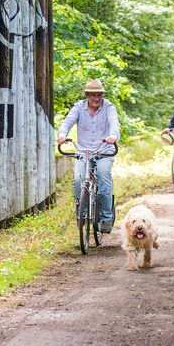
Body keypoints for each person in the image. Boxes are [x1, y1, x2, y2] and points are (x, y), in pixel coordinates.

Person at [57, 78, 120, 233]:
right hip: (83, 152)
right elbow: (67, 122)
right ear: (87, 95)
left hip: (104, 151)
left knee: (103, 176)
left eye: (99, 95)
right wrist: (62, 134)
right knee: (79, 180)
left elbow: (114, 124)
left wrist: (113, 136)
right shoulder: (79, 107)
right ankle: (82, 213)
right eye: (93, 95)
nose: (96, 98)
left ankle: (106, 218)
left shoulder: (109, 107)